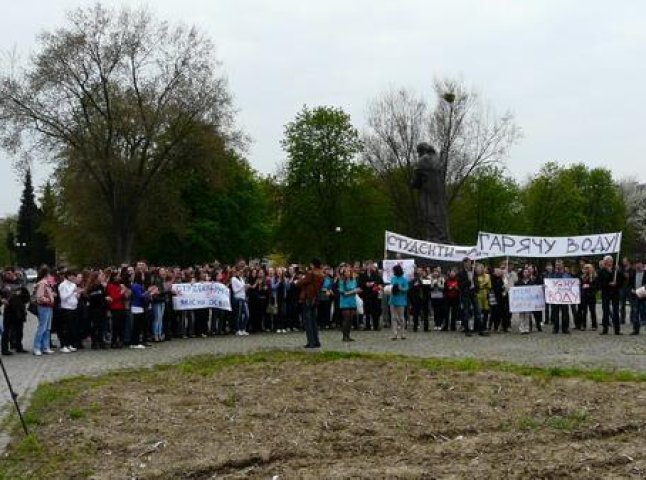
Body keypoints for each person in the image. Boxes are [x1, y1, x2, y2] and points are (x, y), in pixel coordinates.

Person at [296, 259, 325, 349]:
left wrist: (299, 281)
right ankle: (316, 341)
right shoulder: (321, 274)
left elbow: (301, 283)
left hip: (308, 298)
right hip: (315, 298)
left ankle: (311, 342)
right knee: (313, 321)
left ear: (313, 265)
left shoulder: (311, 273)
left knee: (308, 321)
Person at [458, 258, 487, 337]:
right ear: (464, 264)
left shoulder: (473, 272)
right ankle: (467, 330)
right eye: (468, 263)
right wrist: (468, 281)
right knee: (466, 312)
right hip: (465, 294)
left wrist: (476, 287)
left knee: (478, 311)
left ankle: (481, 330)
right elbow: (460, 285)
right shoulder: (461, 273)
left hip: (473, 293)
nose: (470, 264)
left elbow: (476, 281)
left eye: (470, 263)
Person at [33, 266, 56, 356]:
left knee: (47, 328)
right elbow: (39, 297)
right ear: (47, 274)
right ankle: (37, 347)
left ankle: (45, 347)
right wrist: (49, 300)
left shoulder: (47, 283)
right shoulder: (43, 283)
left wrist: (52, 296)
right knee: (42, 327)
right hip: (44, 307)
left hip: (49, 307)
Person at [58, 270, 82, 353]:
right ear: (67, 276)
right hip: (66, 308)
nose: (73, 277)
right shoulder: (62, 285)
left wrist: (78, 294)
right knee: (66, 328)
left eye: (74, 275)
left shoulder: (73, 285)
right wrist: (72, 291)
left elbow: (75, 297)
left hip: (74, 307)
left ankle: (70, 344)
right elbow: (63, 297)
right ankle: (63, 345)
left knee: (72, 327)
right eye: (71, 275)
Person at [598, 255, 621, 335]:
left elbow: (622, 280)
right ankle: (605, 329)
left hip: (615, 292)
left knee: (615, 311)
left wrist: (619, 271)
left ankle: (617, 330)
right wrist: (608, 283)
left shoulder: (616, 269)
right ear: (605, 262)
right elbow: (600, 283)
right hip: (606, 292)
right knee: (606, 311)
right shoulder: (601, 271)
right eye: (608, 260)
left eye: (611, 260)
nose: (610, 262)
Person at [86, 270, 109, 349]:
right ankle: (94, 342)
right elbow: (91, 296)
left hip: (102, 308)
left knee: (101, 326)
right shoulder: (91, 286)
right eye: (100, 276)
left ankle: (101, 341)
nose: (102, 277)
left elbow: (104, 295)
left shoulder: (101, 286)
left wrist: (106, 298)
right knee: (95, 326)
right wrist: (103, 297)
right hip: (94, 309)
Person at [548, 260, 571, 334]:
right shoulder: (552, 274)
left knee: (565, 313)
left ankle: (565, 328)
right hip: (555, 297)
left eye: (559, 264)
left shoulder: (566, 274)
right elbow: (549, 283)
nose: (558, 266)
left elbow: (570, 283)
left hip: (564, 297)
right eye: (556, 264)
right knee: (555, 313)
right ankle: (555, 328)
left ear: (562, 265)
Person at [338, 266, 361, 342]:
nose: (348, 273)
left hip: (352, 301)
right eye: (346, 272)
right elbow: (343, 293)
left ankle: (348, 335)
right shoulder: (341, 281)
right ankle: (344, 336)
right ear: (343, 273)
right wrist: (353, 291)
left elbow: (356, 289)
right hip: (345, 302)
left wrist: (357, 290)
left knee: (350, 319)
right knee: (346, 319)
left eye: (349, 272)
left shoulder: (353, 280)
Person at [389, 264, 409, 340]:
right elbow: (391, 287)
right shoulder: (393, 279)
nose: (393, 272)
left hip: (401, 300)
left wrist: (401, 288)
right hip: (392, 300)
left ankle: (403, 333)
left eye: (394, 270)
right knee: (393, 317)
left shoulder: (404, 279)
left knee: (401, 318)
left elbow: (406, 289)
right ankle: (394, 334)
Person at [629, 258, 646, 335]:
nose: (637, 265)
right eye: (636, 263)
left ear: (642, 264)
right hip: (635, 295)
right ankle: (636, 329)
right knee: (635, 312)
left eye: (639, 263)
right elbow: (629, 284)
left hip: (644, 295)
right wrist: (631, 289)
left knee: (644, 312)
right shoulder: (633, 274)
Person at [578, 264, 598, 331]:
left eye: (588, 268)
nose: (587, 270)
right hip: (584, 296)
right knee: (584, 311)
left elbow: (596, 287)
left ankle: (594, 325)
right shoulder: (582, 277)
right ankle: (583, 325)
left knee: (592, 311)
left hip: (591, 296)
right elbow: (580, 285)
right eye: (585, 268)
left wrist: (589, 286)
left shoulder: (595, 277)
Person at [231, 268, 250, 336]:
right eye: (239, 271)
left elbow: (243, 289)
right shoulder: (233, 279)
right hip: (238, 298)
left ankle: (243, 328)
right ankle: (238, 329)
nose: (241, 272)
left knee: (247, 315)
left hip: (243, 298)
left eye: (242, 271)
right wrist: (243, 286)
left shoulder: (242, 279)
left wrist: (246, 287)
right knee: (238, 315)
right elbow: (235, 290)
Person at [475, 264, 492, 330]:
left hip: (485, 294)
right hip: (478, 294)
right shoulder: (475, 276)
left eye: (480, 268)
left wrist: (483, 286)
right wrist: (482, 285)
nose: (478, 270)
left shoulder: (487, 276)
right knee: (479, 310)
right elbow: (476, 285)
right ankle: (478, 326)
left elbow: (489, 286)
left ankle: (484, 325)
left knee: (486, 311)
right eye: (477, 269)